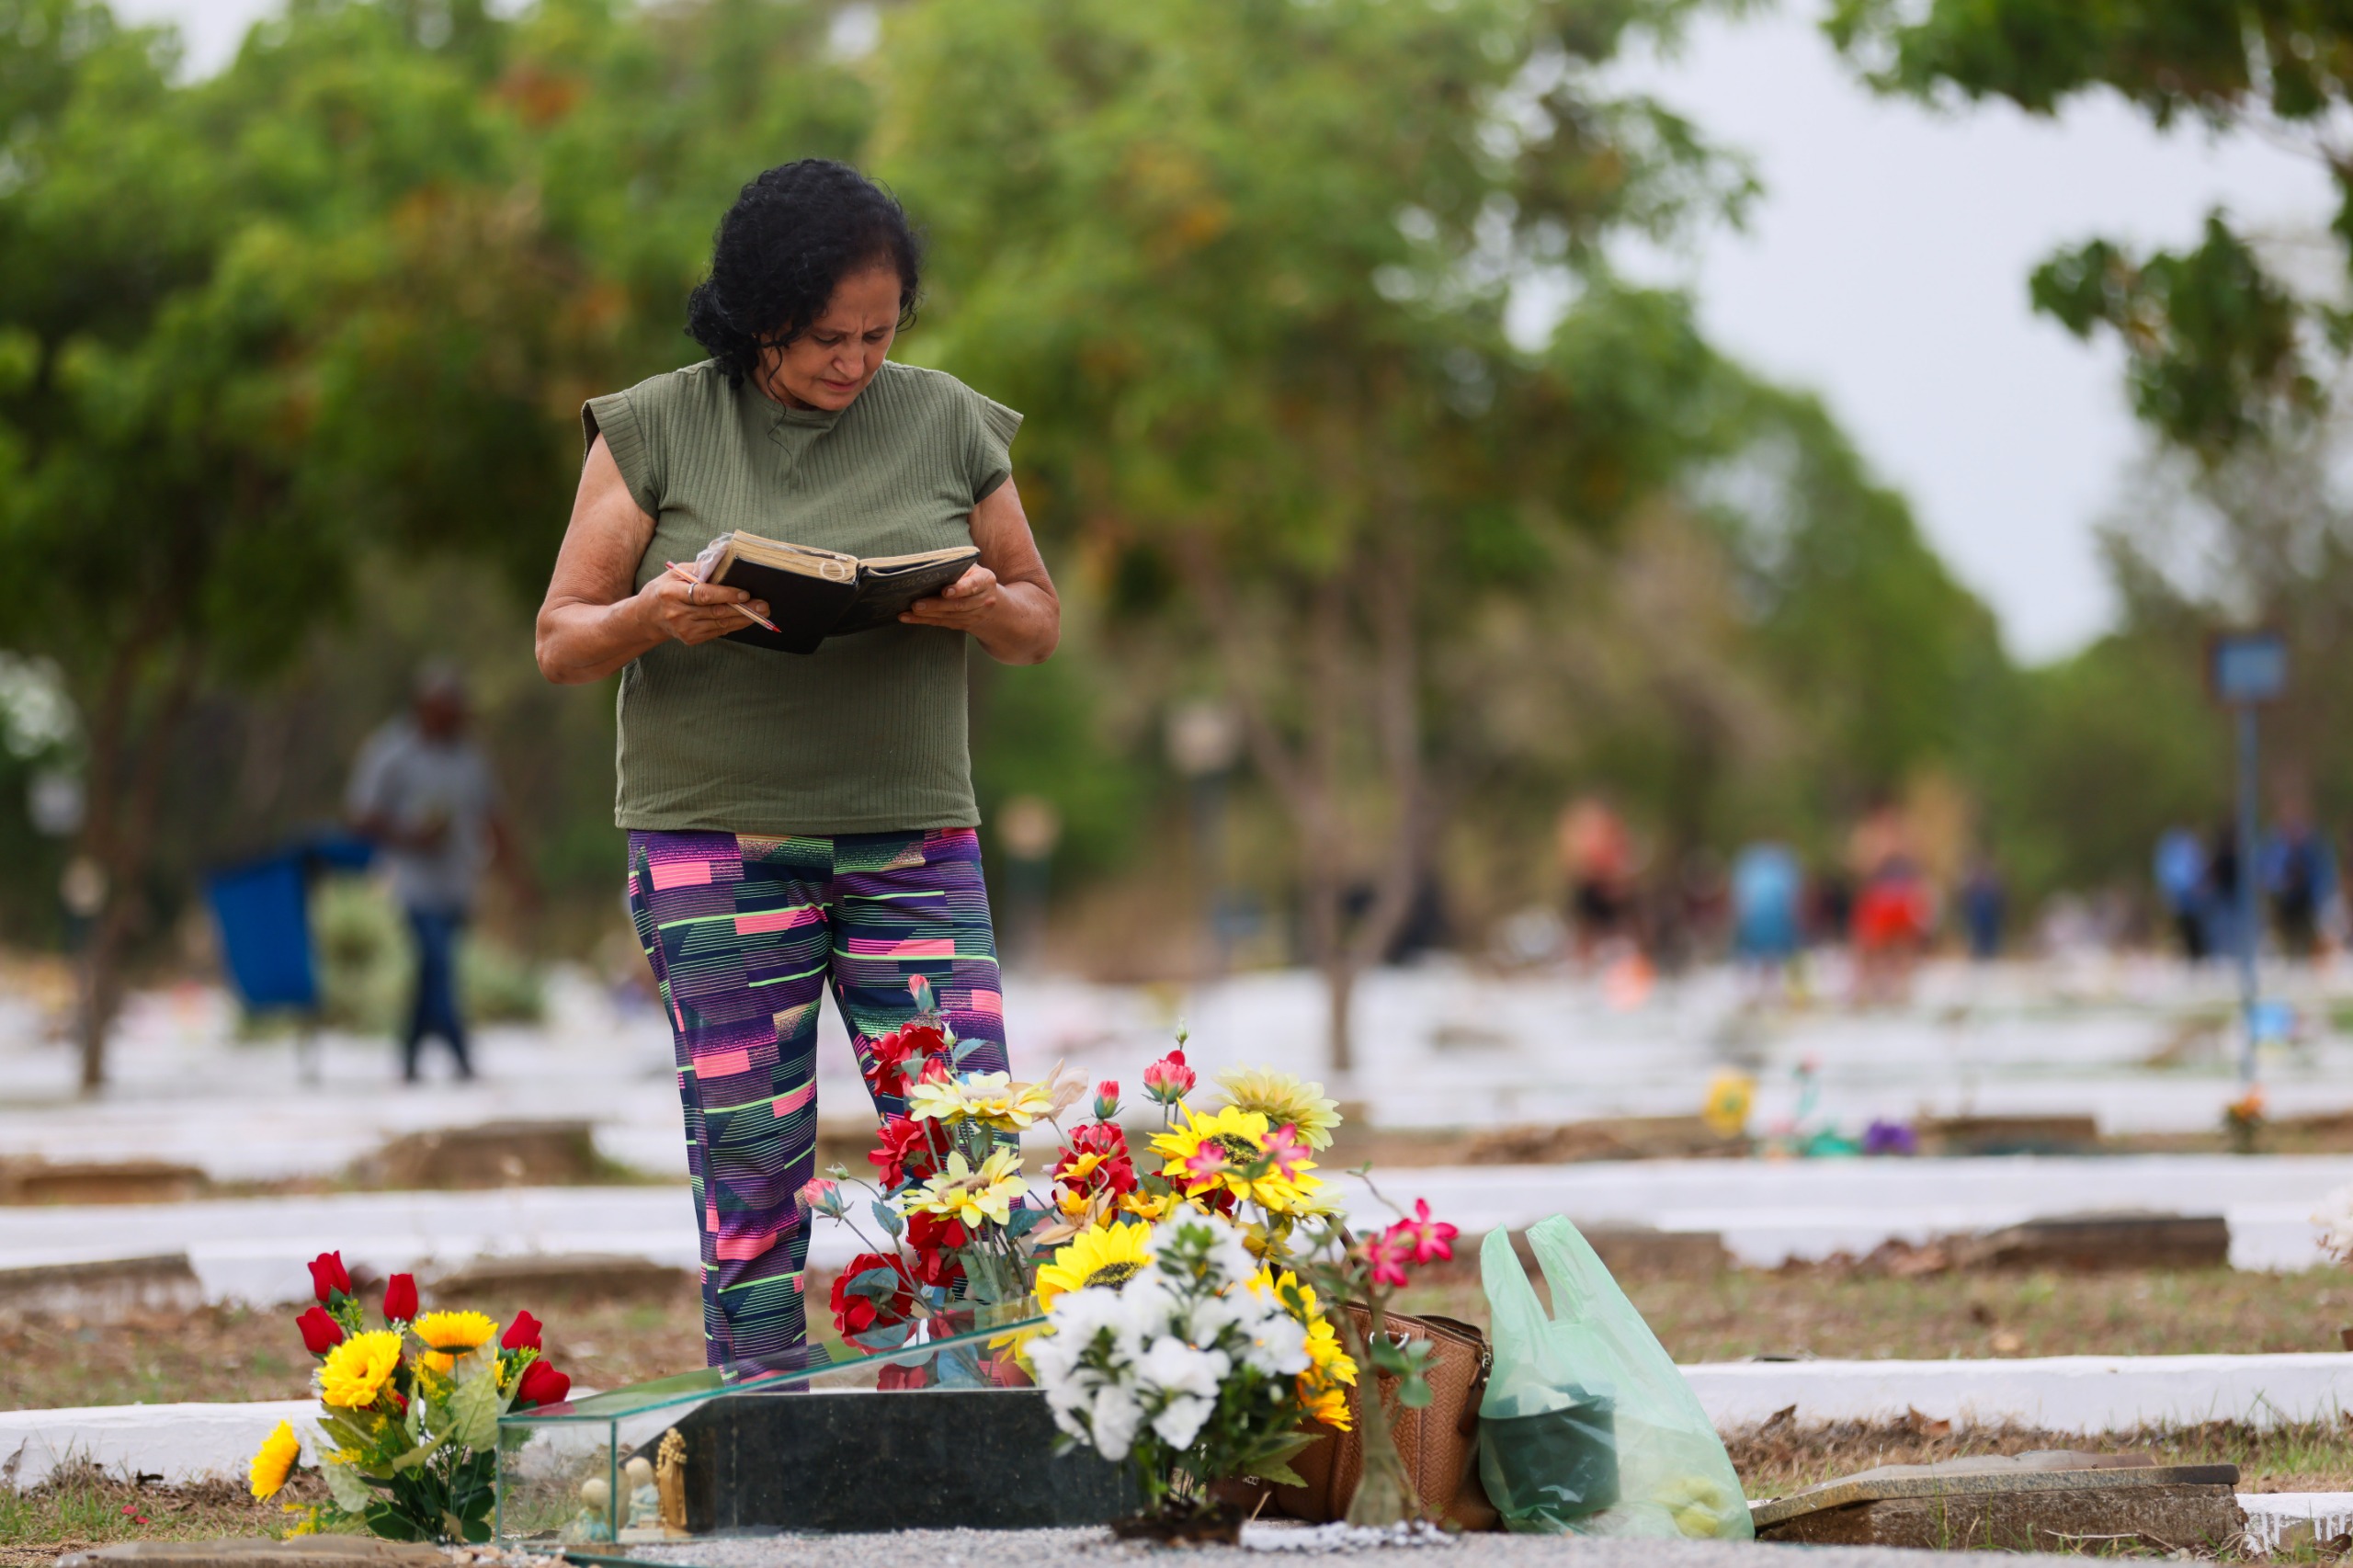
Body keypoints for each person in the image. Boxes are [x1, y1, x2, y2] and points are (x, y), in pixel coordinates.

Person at [533, 161, 1059, 1375]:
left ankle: (979, 1409)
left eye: (883, 332)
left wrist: (979, 604)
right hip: (716, 844)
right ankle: (763, 1428)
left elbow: (1039, 619)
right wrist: (652, 615)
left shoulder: (948, 421)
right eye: (830, 335)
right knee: (750, 1161)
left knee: (966, 1149)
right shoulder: (656, 424)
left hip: (913, 844)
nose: (858, 360)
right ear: (759, 315)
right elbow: (561, 637)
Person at [346, 667, 526, 1083]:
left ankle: (409, 1056)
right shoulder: (390, 752)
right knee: (437, 960)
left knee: (432, 970)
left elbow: (494, 818)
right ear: (424, 708)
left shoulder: (471, 758)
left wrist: (517, 878)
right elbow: (360, 817)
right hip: (408, 881)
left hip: (458, 881)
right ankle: (460, 1055)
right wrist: (410, 835)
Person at [2153, 825, 2209, 961]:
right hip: (2181, 889)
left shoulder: (2187, 844)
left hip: (2189, 889)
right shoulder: (2173, 845)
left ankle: (2197, 953)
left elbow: (2197, 865)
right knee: (2185, 923)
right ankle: (2192, 953)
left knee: (2194, 923)